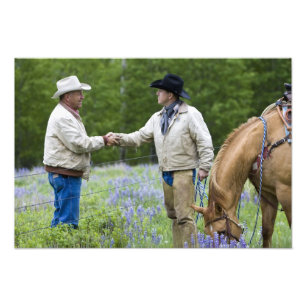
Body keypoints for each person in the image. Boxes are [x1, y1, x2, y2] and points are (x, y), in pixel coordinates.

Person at [111, 73, 214, 247]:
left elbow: (204, 141)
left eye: (160, 91)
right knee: (174, 216)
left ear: (170, 95)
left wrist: (205, 166)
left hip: (184, 172)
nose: (157, 93)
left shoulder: (190, 114)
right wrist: (118, 138)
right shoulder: (157, 118)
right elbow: (139, 136)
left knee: (185, 217)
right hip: (166, 173)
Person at [43, 75, 118, 229]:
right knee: (68, 223)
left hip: (63, 173)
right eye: (79, 93)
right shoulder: (63, 117)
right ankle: (64, 247)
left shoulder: (67, 113)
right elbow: (78, 144)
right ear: (67, 96)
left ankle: (55, 245)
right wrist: (104, 140)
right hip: (66, 175)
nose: (83, 97)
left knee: (60, 219)